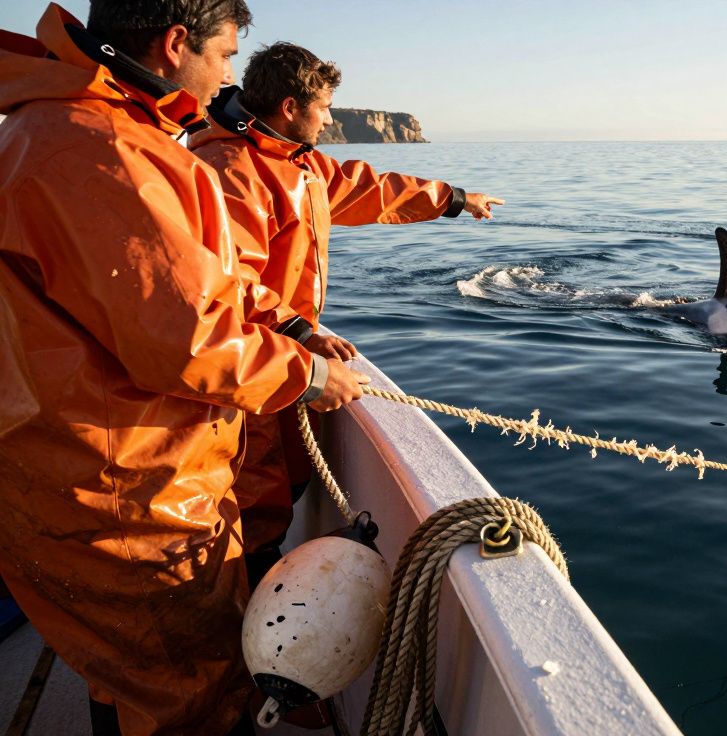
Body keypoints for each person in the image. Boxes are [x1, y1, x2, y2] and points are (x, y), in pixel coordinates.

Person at [0, 3, 370, 735]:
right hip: (126, 493)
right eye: (227, 55)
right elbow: (187, 337)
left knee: (133, 678)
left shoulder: (75, 129)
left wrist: (289, 324)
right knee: (181, 696)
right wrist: (311, 377)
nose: (231, 75)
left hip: (92, 469)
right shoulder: (104, 149)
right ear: (177, 45)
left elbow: (196, 276)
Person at [190, 42, 502, 575]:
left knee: (281, 480)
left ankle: (256, 574)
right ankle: (240, 594)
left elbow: (371, 190)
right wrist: (298, 329)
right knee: (249, 484)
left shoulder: (301, 163)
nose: (331, 119)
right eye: (325, 108)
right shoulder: (228, 168)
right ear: (291, 107)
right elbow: (224, 279)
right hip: (243, 357)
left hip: (285, 350)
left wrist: (453, 199)